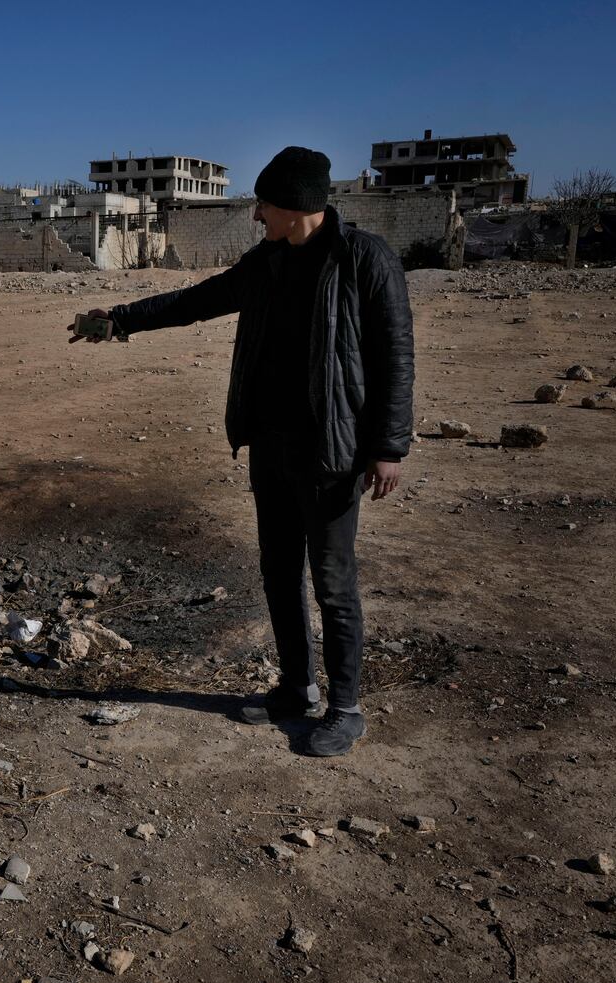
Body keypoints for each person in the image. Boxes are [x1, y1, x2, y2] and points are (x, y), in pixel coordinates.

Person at [68, 146, 414, 756]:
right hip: (271, 445)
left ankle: (346, 707)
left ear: (296, 206)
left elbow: (395, 356)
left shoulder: (364, 259)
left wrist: (388, 447)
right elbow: (195, 301)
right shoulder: (268, 262)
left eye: (264, 205)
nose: (256, 216)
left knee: (333, 582)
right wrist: (119, 318)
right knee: (278, 573)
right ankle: (296, 689)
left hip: (331, 452)